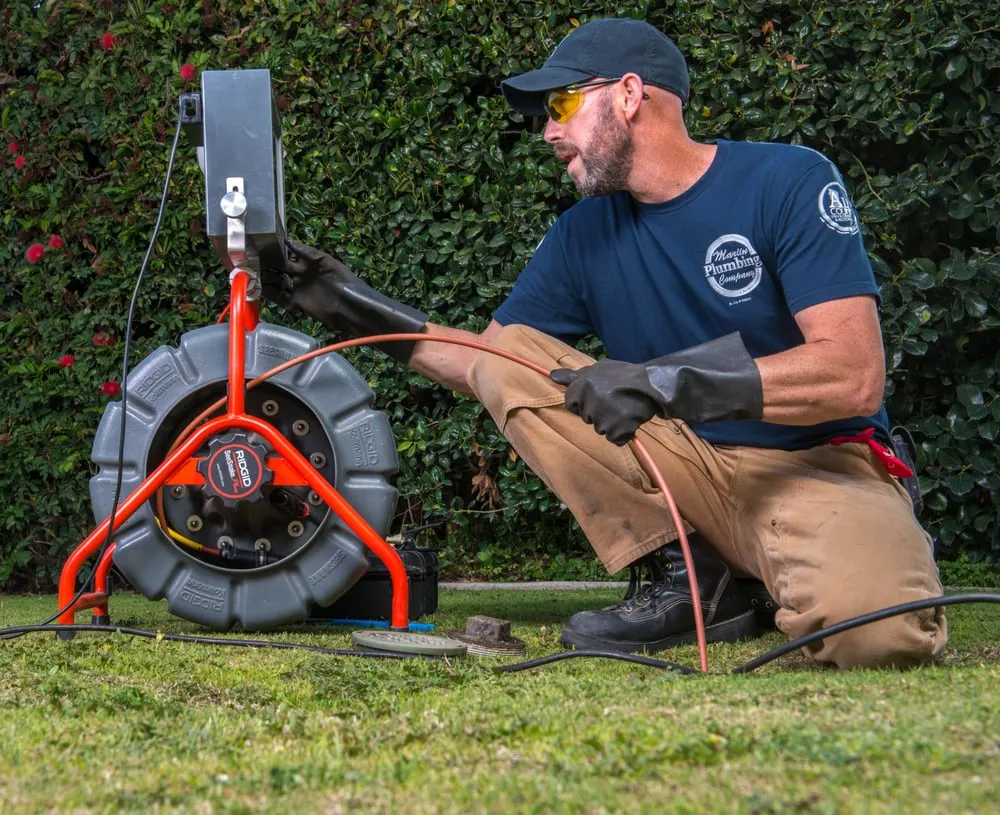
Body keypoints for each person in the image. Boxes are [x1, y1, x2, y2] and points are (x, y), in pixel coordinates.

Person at [262, 17, 946, 669]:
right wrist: (350, 306)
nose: (547, 131)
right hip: (684, 472)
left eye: (561, 105)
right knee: (515, 357)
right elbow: (486, 363)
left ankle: (810, 561)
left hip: (817, 467)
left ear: (629, 94)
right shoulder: (582, 234)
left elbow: (853, 374)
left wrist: (664, 382)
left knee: (879, 636)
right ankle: (692, 579)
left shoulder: (786, 181)